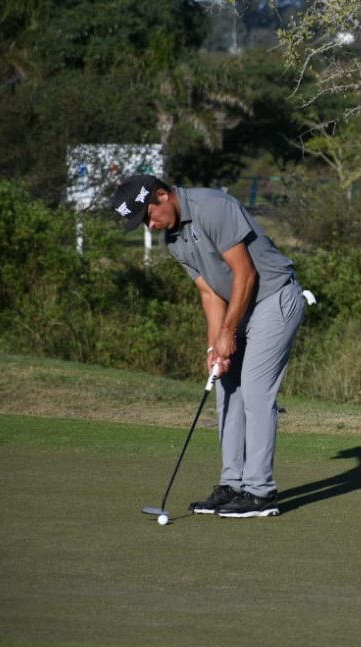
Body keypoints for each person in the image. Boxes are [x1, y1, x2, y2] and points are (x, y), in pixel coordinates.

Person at [109, 174, 305, 518]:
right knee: (227, 390)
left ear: (162, 195)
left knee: (256, 392)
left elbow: (245, 274)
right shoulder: (174, 239)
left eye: (148, 216)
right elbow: (209, 292)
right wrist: (215, 345)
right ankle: (232, 484)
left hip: (274, 298)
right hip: (237, 307)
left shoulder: (212, 207)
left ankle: (260, 493)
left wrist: (229, 330)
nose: (149, 226)